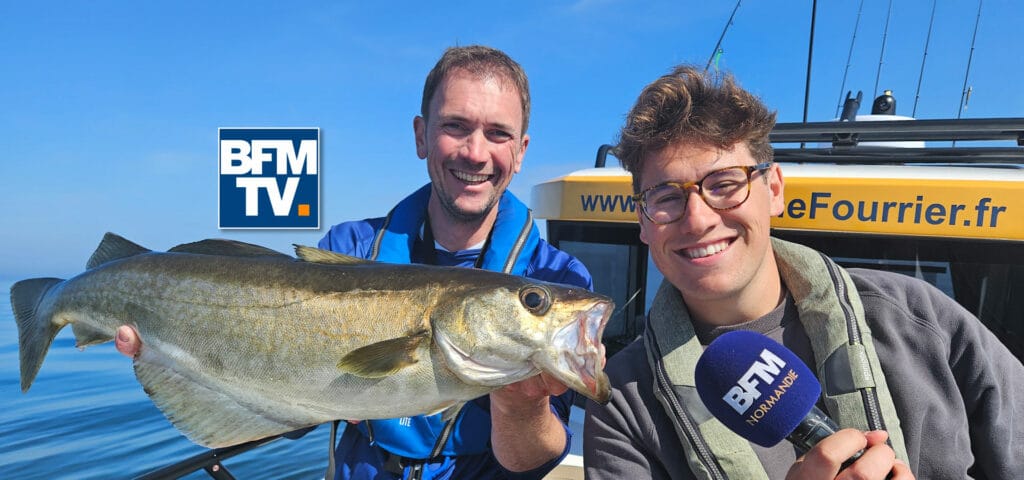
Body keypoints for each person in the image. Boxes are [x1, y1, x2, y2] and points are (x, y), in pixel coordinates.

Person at [115, 45, 593, 480]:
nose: (475, 151)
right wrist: (169, 345)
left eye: (498, 133)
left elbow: (532, 459)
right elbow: (287, 397)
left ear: (521, 151)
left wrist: (521, 405)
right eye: (455, 126)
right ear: (421, 135)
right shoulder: (349, 250)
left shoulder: (558, 277)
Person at [583, 64, 1024, 479]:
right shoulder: (624, 402)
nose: (697, 219)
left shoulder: (918, 318)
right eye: (665, 196)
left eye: (724, 184)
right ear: (643, 221)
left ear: (773, 190)